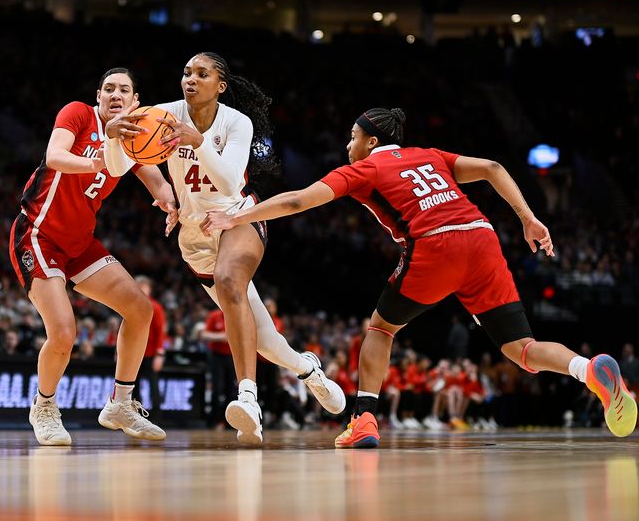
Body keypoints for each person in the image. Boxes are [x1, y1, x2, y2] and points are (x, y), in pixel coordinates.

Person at [201, 106, 638, 447]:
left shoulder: (365, 167)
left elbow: (297, 202)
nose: (346, 143)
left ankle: (363, 419)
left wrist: (238, 215)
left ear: (371, 141)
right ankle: (587, 368)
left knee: (380, 327)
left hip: (436, 244)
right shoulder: (431, 155)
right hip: (481, 236)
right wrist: (528, 218)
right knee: (520, 348)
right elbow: (493, 168)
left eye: (352, 137)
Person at [107, 52, 345, 444]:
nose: (190, 79)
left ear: (219, 86)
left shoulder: (237, 122)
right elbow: (117, 168)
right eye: (186, 72)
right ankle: (308, 371)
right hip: (194, 235)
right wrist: (115, 136)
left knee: (229, 280)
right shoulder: (161, 114)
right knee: (265, 341)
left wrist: (198, 142)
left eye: (202, 74)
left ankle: (248, 398)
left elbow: (232, 182)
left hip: (238, 217)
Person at [9, 67, 176, 446]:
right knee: (64, 332)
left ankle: (120, 404)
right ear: (98, 95)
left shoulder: (134, 137)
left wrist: (169, 201)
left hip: (80, 244)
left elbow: (155, 178)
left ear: (136, 102)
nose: (116, 95)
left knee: (140, 309)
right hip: (38, 233)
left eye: (125, 90)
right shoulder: (78, 114)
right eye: (109, 89)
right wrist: (98, 160)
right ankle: (45, 406)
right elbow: (54, 156)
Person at [135, 275, 167, 422]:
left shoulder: (155, 306)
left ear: (149, 289)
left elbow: (161, 331)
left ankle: (157, 418)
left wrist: (160, 354)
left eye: (144, 286)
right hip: (134, 354)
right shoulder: (130, 304)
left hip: (150, 354)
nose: (142, 289)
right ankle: (134, 417)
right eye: (139, 285)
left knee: (153, 387)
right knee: (132, 387)